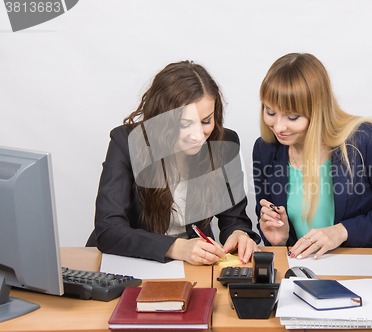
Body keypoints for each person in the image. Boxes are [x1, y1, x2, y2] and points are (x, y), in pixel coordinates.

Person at [88, 60, 260, 265]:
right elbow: (109, 230)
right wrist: (177, 247)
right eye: (185, 124)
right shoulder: (126, 142)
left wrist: (239, 234)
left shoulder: (223, 143)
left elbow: (234, 218)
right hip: (131, 262)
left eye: (206, 121)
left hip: (192, 268)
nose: (198, 134)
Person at [253, 53, 372, 260]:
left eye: (292, 116)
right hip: (304, 272)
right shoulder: (265, 149)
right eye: (270, 112)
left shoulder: (365, 139)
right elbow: (271, 229)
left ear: (318, 110)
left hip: (365, 267)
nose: (278, 127)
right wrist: (278, 240)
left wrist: (341, 231)